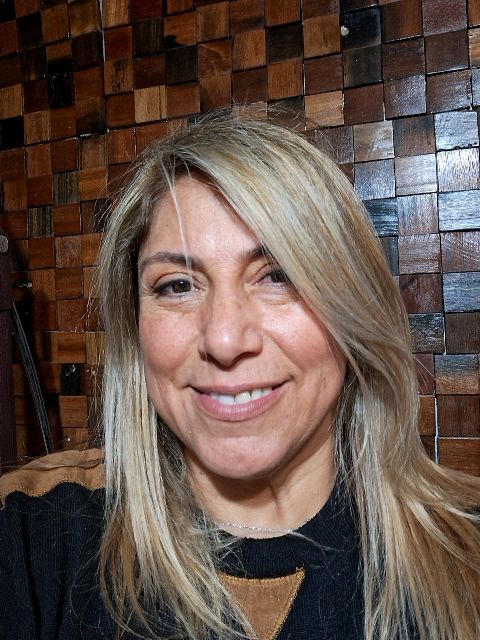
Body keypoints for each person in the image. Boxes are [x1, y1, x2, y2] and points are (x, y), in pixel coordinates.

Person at [1, 113, 479, 640]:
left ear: (352, 306)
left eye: (278, 276)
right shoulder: (29, 535)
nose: (225, 340)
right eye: (178, 285)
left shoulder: (468, 554)